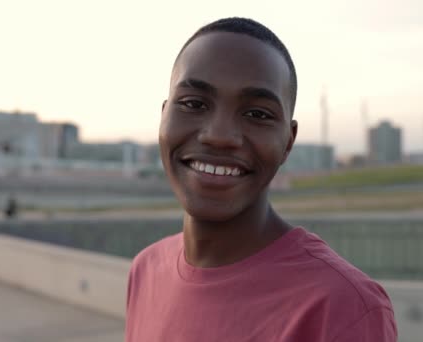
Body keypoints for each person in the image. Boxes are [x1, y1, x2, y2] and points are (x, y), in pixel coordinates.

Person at [125, 17, 397, 341]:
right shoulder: (145, 270)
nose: (219, 136)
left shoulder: (342, 307)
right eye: (193, 104)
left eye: (258, 114)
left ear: (288, 142)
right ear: (164, 115)